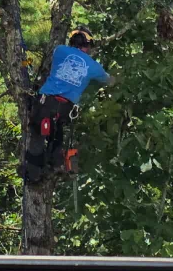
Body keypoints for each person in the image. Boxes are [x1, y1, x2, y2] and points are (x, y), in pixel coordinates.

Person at [22, 26, 111, 181]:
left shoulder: (60, 50)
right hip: (66, 109)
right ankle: (54, 165)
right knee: (57, 135)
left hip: (45, 101)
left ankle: (33, 172)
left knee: (37, 134)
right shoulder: (93, 66)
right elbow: (108, 80)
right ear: (88, 44)